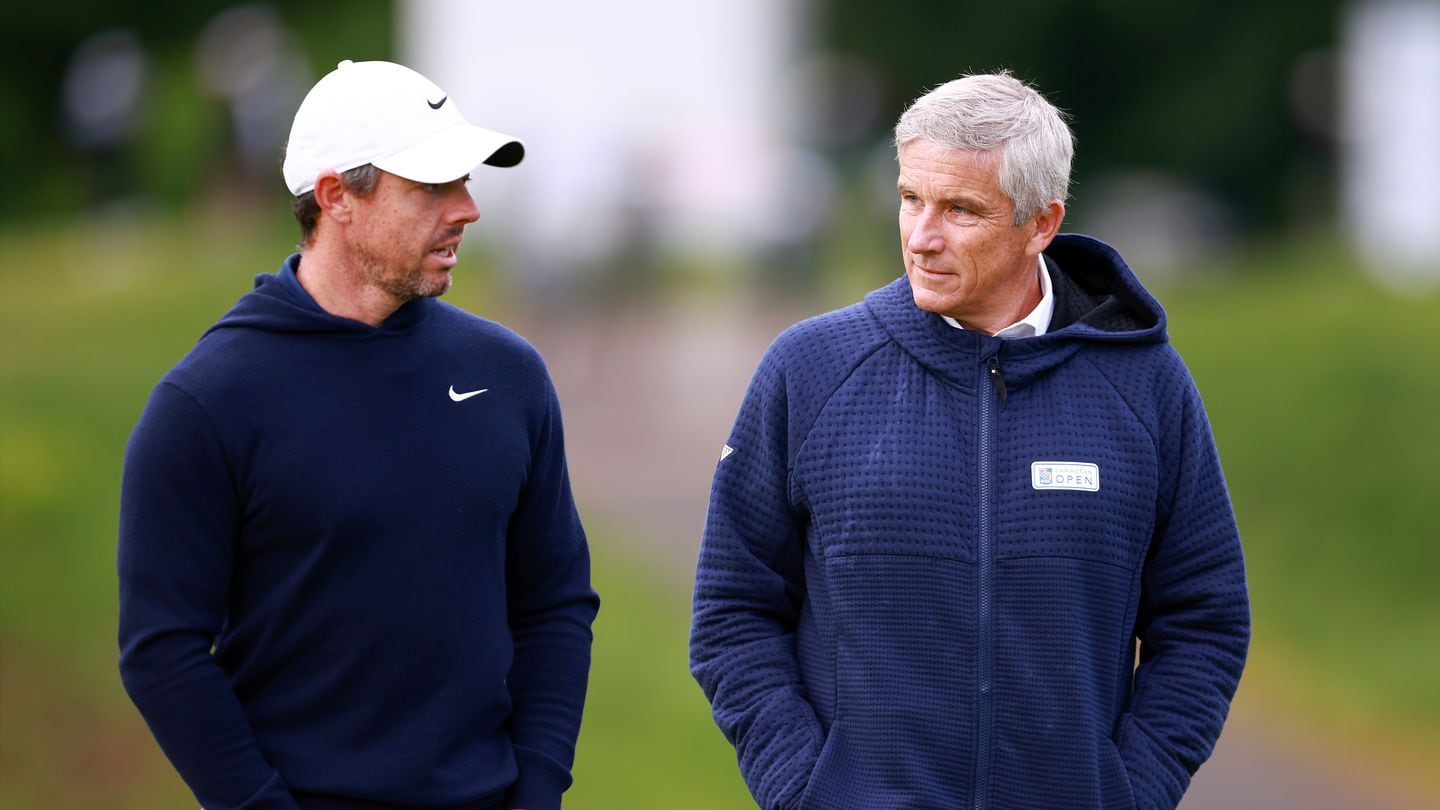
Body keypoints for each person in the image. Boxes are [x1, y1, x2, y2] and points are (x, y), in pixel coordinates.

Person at [689, 71, 1249, 810]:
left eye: (961, 209)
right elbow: (733, 611)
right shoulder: (810, 370)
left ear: (1041, 224)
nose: (922, 237)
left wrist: (1130, 792)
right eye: (910, 199)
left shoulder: (1146, 386)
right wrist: (805, 789)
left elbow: (1204, 620)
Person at [118, 59, 599, 810]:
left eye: (467, 182)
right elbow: (162, 652)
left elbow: (555, 601)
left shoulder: (508, 375)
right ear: (337, 196)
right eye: (433, 186)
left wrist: (536, 787)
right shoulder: (207, 402)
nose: (468, 208)